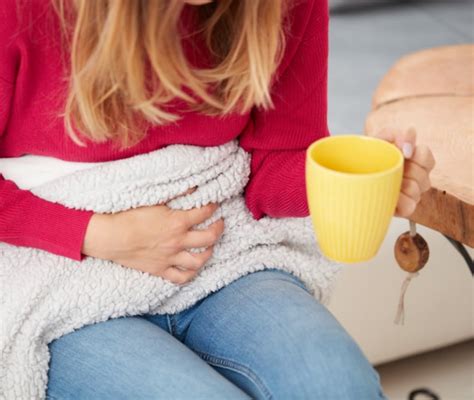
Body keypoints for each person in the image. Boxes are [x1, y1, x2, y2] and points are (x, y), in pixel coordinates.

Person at [0, 0, 435, 398]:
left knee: (337, 384)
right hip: (62, 280)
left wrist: (353, 182)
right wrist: (95, 234)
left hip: (226, 259)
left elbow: (270, 167)